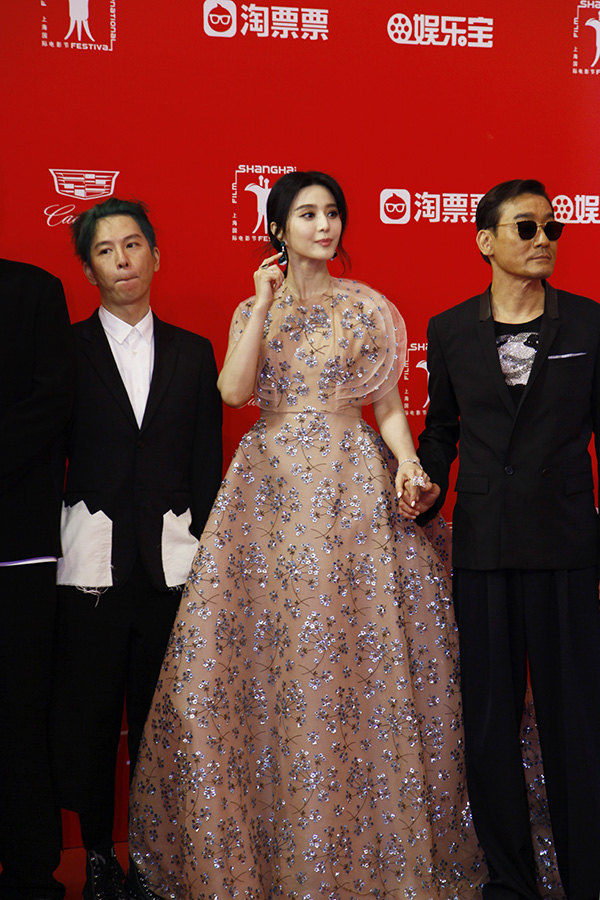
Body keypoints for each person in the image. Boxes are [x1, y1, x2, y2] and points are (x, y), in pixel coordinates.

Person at [128, 171, 484, 900]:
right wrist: (262, 305)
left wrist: (409, 464)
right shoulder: (252, 308)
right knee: (273, 656)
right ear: (278, 230)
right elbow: (233, 392)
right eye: (308, 214)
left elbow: (388, 406)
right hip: (271, 492)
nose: (324, 226)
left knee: (357, 649)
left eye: (332, 214)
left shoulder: (366, 307)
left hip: (354, 486)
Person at [404, 178, 600, 900]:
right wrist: (424, 481)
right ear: (486, 241)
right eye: (526, 228)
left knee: (576, 725)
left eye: (551, 228)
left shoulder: (590, 324)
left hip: (568, 546)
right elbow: (441, 431)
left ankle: (587, 880)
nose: (543, 239)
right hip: (484, 550)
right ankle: (510, 885)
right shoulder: (451, 328)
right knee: (488, 726)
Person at [49, 198, 223, 900]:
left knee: (162, 722)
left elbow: (206, 466)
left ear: (156, 255)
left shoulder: (194, 352)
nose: (122, 260)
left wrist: (204, 558)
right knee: (90, 717)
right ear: (88, 270)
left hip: (170, 566)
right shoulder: (64, 350)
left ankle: (153, 856)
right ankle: (97, 853)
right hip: (89, 563)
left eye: (132, 245)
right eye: (105, 250)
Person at [0, 258, 73, 900]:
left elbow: (52, 401)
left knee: (21, 712)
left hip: (17, 542)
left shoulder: (34, 291)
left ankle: (30, 869)